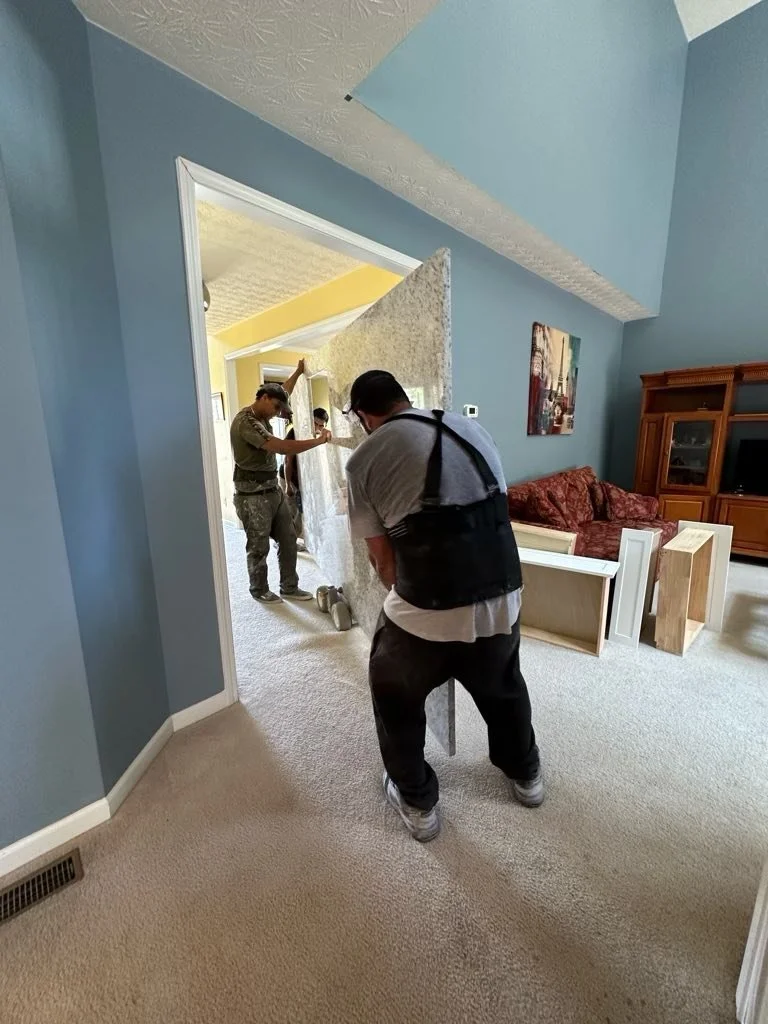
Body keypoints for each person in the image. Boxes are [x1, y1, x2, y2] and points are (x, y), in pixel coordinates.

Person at [345, 370, 541, 842]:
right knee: (504, 685)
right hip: (504, 595)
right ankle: (527, 775)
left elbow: (384, 561)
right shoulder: (472, 428)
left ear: (363, 417)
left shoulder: (363, 459)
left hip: (430, 604)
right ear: (404, 399)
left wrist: (413, 593)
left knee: (391, 686)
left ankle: (416, 800)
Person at [230, 360, 331, 604]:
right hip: (252, 494)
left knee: (288, 538)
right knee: (258, 545)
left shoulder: (270, 402)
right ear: (263, 398)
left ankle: (289, 586)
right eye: (276, 407)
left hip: (272, 489)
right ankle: (259, 589)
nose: (278, 412)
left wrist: (297, 371)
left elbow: (285, 389)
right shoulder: (246, 422)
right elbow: (281, 447)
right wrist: (317, 441)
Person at [280, 407, 329, 546]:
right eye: (316, 423)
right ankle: (286, 543)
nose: (318, 427)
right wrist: (288, 485)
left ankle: (289, 541)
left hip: (303, 479)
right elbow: (287, 461)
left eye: (321, 425)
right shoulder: (296, 432)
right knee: (292, 512)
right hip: (289, 476)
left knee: (301, 514)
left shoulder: (319, 436)